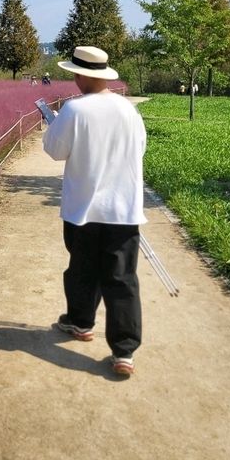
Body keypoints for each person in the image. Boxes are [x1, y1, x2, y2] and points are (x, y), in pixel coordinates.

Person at [42, 46, 147, 377]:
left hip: (83, 209)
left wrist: (55, 124)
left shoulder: (75, 110)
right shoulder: (129, 110)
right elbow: (140, 148)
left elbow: (55, 151)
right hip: (124, 210)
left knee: (82, 270)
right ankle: (124, 351)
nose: (73, 78)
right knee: (122, 279)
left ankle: (80, 322)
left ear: (84, 75)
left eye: (75, 72)